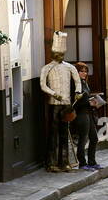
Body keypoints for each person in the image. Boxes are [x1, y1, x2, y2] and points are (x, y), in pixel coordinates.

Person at [39, 34, 81, 173]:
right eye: (58, 53)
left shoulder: (70, 67)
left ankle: (64, 161)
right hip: (53, 104)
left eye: (62, 54)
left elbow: (77, 81)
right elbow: (43, 85)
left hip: (67, 103)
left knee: (64, 133)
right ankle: (51, 162)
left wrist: (78, 92)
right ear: (53, 53)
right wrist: (53, 94)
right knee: (53, 134)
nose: (60, 56)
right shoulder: (46, 68)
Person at [71, 62, 102, 172]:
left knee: (94, 138)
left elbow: (85, 97)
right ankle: (82, 163)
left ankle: (92, 162)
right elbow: (74, 102)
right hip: (81, 114)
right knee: (83, 139)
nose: (84, 73)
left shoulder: (84, 82)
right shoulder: (75, 84)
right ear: (76, 72)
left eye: (85, 71)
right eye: (81, 71)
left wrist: (93, 100)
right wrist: (89, 103)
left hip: (88, 113)